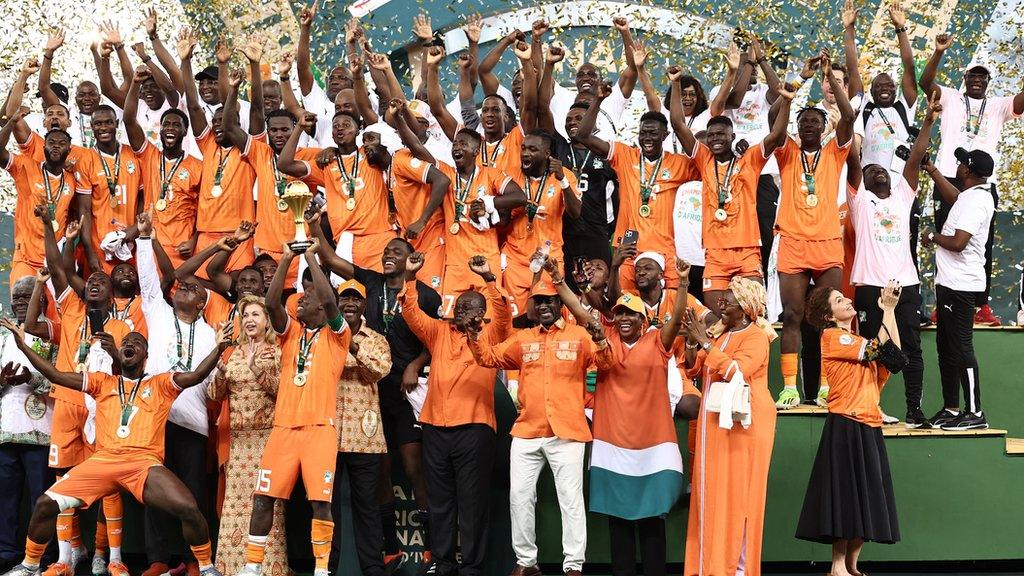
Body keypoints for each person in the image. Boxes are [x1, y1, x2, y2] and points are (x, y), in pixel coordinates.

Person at [0, 316, 226, 576]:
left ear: (145, 355)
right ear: (119, 352)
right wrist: (22, 345)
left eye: (136, 343)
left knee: (188, 507)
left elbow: (197, 375)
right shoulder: (102, 382)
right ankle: (29, 566)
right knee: (44, 504)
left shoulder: (161, 384)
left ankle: (207, 567)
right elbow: (55, 375)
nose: (130, 343)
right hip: (103, 461)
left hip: (144, 464)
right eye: (126, 342)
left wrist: (218, 348)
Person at [467, 259, 613, 576]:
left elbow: (607, 362)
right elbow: (488, 357)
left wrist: (601, 336)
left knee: (570, 500)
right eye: (538, 301)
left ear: (560, 304)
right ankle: (526, 562)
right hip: (528, 430)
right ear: (532, 307)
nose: (544, 306)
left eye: (549, 300)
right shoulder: (523, 338)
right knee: (519, 497)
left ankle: (573, 565)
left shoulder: (578, 334)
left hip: (568, 430)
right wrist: (474, 335)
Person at [310, 232, 439, 572]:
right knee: (378, 473)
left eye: (397, 251)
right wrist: (310, 228)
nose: (388, 255)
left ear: (412, 257)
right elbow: (333, 260)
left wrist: (415, 363)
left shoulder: (425, 294)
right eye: (386, 251)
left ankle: (431, 548)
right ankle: (392, 547)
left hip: (405, 390)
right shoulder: (371, 282)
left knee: (413, 467)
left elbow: (438, 338)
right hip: (370, 396)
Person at [237, 238, 350, 576]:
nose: (298, 302)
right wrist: (288, 258)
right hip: (283, 428)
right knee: (263, 497)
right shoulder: (291, 334)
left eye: (306, 298)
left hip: (319, 429)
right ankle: (251, 567)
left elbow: (330, 300)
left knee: (320, 501)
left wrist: (312, 257)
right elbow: (272, 303)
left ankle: (320, 568)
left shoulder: (336, 336)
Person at [400, 252, 511, 576]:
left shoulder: (491, 334)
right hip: (435, 426)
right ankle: (444, 561)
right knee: (440, 501)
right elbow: (412, 315)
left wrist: (489, 278)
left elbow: (503, 313)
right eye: (460, 307)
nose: (462, 311)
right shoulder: (439, 333)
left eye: (470, 308)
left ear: (482, 313)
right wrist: (410, 277)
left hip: (474, 428)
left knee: (473, 501)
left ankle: (473, 565)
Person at [589, 259, 697, 576]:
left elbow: (676, 319)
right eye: (619, 312)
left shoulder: (657, 342)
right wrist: (563, 283)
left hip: (652, 448)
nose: (624, 318)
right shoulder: (605, 343)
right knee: (618, 523)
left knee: (652, 520)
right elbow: (584, 313)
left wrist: (684, 282)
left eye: (631, 314)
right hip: (613, 449)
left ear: (643, 319)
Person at [797, 283, 903, 575]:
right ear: (828, 315)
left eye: (844, 297)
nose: (846, 301)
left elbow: (894, 356)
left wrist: (888, 311)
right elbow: (874, 350)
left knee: (866, 495)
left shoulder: (855, 338)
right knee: (844, 495)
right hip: (845, 422)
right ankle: (837, 565)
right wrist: (888, 312)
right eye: (838, 300)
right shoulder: (832, 337)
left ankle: (852, 563)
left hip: (870, 423)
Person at [920, 31, 1024, 326]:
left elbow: (1021, 101)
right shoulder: (951, 97)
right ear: (965, 78)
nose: (977, 80)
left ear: (988, 82)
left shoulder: (999, 105)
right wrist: (939, 52)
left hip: (982, 184)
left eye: (983, 77)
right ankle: (945, 304)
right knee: (945, 240)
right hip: (950, 179)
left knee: (983, 244)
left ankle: (980, 305)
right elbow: (925, 83)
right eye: (972, 75)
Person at [134, 213, 218, 576]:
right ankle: (157, 560)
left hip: (193, 422)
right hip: (154, 420)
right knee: (153, 493)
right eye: (182, 286)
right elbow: (149, 279)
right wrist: (144, 239)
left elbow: (213, 384)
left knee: (193, 493)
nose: (184, 288)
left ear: (202, 302)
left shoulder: (215, 335)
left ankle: (193, 560)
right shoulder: (159, 314)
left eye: (194, 288)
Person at [773, 53, 856, 409]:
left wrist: (829, 77)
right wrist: (795, 85)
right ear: (798, 126)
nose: (808, 127)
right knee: (792, 316)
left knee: (827, 317)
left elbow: (849, 116)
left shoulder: (835, 152)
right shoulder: (787, 151)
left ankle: (825, 387)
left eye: (814, 123)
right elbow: (774, 122)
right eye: (803, 122)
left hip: (826, 245)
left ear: (822, 128)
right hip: (792, 242)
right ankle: (790, 387)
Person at [668, 67, 794, 302]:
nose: (715, 139)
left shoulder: (751, 159)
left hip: (747, 251)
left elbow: (776, 136)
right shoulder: (704, 159)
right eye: (711, 135)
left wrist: (785, 101)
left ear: (732, 136)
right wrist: (675, 83)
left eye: (721, 135)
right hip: (715, 253)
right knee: (717, 316)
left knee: (752, 311)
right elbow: (677, 123)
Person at [849, 94, 936, 428]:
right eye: (871, 171)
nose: (877, 173)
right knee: (872, 348)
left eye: (882, 169)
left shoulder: (902, 195)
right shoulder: (860, 201)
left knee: (912, 348)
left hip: (905, 285)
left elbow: (914, 159)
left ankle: (915, 409)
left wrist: (927, 121)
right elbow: (855, 162)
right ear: (864, 181)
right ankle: (871, 405)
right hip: (871, 285)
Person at [682, 277, 777, 576]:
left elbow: (738, 371)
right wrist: (691, 343)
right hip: (714, 425)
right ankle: (709, 566)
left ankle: (736, 569)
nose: (720, 304)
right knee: (711, 494)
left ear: (746, 307)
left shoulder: (756, 337)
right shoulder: (720, 334)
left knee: (738, 497)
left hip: (745, 427)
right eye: (721, 299)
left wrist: (705, 343)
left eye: (728, 300)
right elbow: (695, 367)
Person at [574, 84, 694, 291]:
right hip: (629, 244)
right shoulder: (624, 155)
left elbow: (710, 167)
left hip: (665, 246)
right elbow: (583, 136)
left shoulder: (680, 163)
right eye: (643, 133)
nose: (647, 137)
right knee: (628, 306)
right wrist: (598, 100)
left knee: (669, 305)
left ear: (665, 136)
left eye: (653, 133)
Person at [205, 294, 287, 576]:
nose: (250, 320)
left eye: (256, 315)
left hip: (267, 439)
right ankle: (230, 568)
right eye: (245, 316)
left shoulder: (277, 352)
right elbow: (214, 395)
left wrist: (256, 369)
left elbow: (282, 392)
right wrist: (218, 366)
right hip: (237, 440)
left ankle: (268, 568)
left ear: (267, 322)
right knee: (235, 506)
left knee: (265, 504)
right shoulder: (232, 353)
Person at [920, 149, 995, 430]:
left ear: (969, 171)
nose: (959, 165)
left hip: (961, 285)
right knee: (946, 347)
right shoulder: (970, 196)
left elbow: (958, 243)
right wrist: (933, 171)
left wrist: (931, 236)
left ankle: (975, 413)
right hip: (950, 283)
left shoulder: (978, 202)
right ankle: (952, 408)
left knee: (962, 347)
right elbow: (954, 197)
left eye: (962, 163)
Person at [179, 31, 258, 275]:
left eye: (224, 120)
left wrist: (238, 69)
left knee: (238, 290)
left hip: (240, 234)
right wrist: (185, 61)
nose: (218, 125)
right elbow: (193, 105)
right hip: (205, 236)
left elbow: (255, 109)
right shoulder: (208, 144)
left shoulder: (249, 149)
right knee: (203, 293)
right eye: (215, 121)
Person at [329, 279, 392, 576]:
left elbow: (378, 371)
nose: (350, 303)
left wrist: (350, 343)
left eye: (355, 299)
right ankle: (325, 567)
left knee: (366, 507)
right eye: (345, 299)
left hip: (364, 436)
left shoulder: (375, 339)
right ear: (337, 305)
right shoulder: (323, 336)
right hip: (326, 434)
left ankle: (373, 569)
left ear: (365, 305)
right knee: (325, 507)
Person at [0, 278, 57, 572]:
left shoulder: (50, 334)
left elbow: (60, 381)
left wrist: (30, 380)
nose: (21, 303)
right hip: (6, 431)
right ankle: (7, 550)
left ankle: (44, 556)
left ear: (42, 300)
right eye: (17, 299)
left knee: (41, 499)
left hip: (41, 433)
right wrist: (2, 380)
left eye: (27, 298)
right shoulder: (2, 334)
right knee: (6, 498)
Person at [123, 67, 202, 270]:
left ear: (185, 132)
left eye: (177, 125)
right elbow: (129, 120)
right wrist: (134, 83)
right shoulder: (150, 156)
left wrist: (193, 241)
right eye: (166, 124)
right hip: (151, 243)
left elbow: (204, 210)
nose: (170, 129)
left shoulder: (197, 167)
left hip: (181, 246)